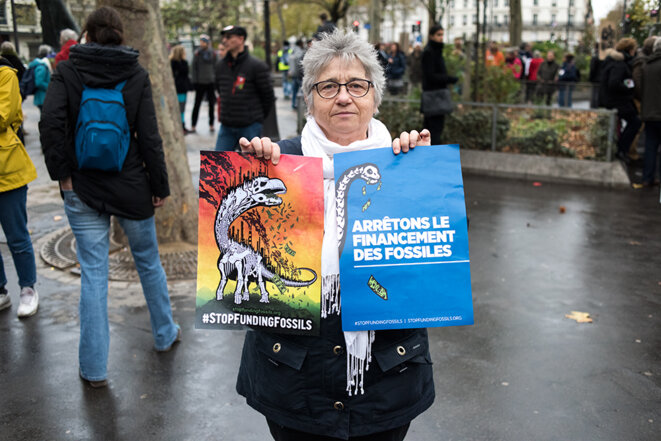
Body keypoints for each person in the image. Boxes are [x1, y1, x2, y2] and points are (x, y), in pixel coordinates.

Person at [236, 29, 434, 441]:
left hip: (387, 381)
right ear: (308, 98)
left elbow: (435, 264)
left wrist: (426, 179)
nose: (343, 96)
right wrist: (249, 172)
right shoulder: (277, 165)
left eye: (357, 85)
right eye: (328, 86)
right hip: (294, 385)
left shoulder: (406, 164)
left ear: (375, 97)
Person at [39, 6, 181, 388]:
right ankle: (165, 333)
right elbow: (149, 137)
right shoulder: (135, 74)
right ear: (120, 34)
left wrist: (63, 176)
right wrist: (159, 187)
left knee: (94, 274)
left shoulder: (67, 70)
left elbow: (50, 123)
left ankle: (94, 369)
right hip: (132, 184)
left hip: (81, 187)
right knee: (148, 262)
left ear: (85, 33)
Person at [0, 56, 39, 318]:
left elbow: (3, 116)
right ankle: (0, 291)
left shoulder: (5, 73)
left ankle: (28, 288)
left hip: (7, 171)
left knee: (16, 235)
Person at [213, 25, 275, 152]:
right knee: (218, 166)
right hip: (227, 126)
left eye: (229, 37)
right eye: (223, 37)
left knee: (252, 168)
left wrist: (256, 118)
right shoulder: (220, 66)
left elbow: (268, 96)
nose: (224, 40)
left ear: (241, 39)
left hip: (250, 126)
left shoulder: (257, 66)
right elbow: (220, 90)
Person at [598, 38, 641, 164]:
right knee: (635, 122)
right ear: (630, 50)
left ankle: (618, 148)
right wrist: (629, 86)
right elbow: (614, 83)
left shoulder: (613, 61)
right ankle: (621, 149)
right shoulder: (619, 64)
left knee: (623, 124)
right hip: (617, 101)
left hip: (611, 101)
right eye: (634, 50)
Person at [422, 24, 458, 145]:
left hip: (437, 95)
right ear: (431, 36)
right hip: (433, 96)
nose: (441, 37)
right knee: (433, 130)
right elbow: (430, 76)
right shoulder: (429, 52)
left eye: (442, 34)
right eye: (438, 35)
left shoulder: (436, 51)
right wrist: (449, 79)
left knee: (436, 129)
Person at [635, 37, 661, 188]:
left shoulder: (646, 65)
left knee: (650, 146)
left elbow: (639, 87)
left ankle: (647, 178)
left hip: (649, 112)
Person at [191, 34, 217, 133]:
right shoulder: (197, 53)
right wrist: (194, 81)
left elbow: (216, 67)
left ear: (207, 42)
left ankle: (211, 124)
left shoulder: (213, 53)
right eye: (201, 41)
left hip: (210, 82)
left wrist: (215, 80)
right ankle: (193, 125)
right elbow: (194, 68)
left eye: (203, 41)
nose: (201, 43)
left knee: (211, 104)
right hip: (200, 83)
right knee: (197, 104)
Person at [170, 44, 193, 134]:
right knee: (181, 108)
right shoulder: (182, 63)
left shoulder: (171, 62)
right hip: (181, 88)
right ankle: (182, 126)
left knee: (180, 108)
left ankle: (181, 125)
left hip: (177, 88)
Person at [28, 45, 52, 113]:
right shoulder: (42, 66)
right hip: (42, 97)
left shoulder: (39, 64)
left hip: (41, 97)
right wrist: (49, 87)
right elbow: (39, 82)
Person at [289, 39, 305, 110]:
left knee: (294, 91)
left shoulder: (293, 51)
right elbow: (300, 64)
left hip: (293, 74)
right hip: (299, 75)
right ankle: (301, 106)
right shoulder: (299, 52)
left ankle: (293, 104)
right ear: (300, 44)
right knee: (302, 91)